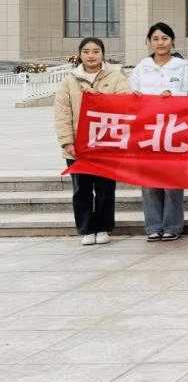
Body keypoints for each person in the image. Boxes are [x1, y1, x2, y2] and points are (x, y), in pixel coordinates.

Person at [54, 37, 130, 245]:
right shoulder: (69, 81)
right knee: (82, 189)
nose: (91, 55)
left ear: (102, 54)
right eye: (86, 51)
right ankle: (86, 228)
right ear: (80, 55)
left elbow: (124, 102)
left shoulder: (116, 77)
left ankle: (104, 227)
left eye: (95, 51)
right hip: (78, 145)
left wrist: (96, 95)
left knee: (106, 188)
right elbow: (62, 114)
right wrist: (67, 142)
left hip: (106, 143)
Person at [130, 22, 188, 242]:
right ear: (149, 42)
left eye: (165, 38)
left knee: (172, 180)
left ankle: (173, 225)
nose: (160, 43)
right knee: (149, 181)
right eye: (155, 39)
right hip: (147, 131)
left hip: (173, 130)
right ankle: (153, 225)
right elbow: (131, 95)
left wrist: (173, 96)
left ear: (172, 41)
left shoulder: (182, 67)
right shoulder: (142, 66)